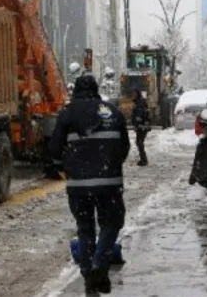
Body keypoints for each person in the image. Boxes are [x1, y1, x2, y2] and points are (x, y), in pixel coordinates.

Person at [47, 74, 130, 296]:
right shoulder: (112, 111)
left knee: (85, 228)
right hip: (109, 183)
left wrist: (63, 166)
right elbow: (124, 146)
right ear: (96, 90)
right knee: (111, 222)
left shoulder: (67, 113)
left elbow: (54, 147)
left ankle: (88, 273)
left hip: (78, 184)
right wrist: (110, 166)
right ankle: (98, 265)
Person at [131, 89, 150, 166]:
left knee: (139, 142)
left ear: (138, 95)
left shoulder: (140, 103)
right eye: (133, 94)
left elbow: (141, 115)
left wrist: (139, 124)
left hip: (142, 126)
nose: (133, 95)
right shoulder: (138, 102)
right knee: (139, 142)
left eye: (135, 94)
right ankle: (143, 159)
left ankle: (144, 160)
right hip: (141, 126)